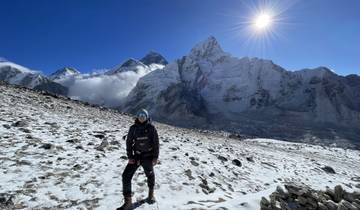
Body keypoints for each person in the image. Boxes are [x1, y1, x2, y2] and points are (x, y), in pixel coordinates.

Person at [118, 109, 159, 210]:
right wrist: (130, 157)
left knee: (150, 174)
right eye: (140, 115)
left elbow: (156, 143)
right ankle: (128, 202)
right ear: (137, 116)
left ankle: (151, 194)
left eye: (143, 115)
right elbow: (129, 142)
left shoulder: (151, 128)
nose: (141, 117)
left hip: (148, 156)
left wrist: (155, 157)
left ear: (147, 117)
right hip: (136, 156)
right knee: (126, 176)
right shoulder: (133, 128)